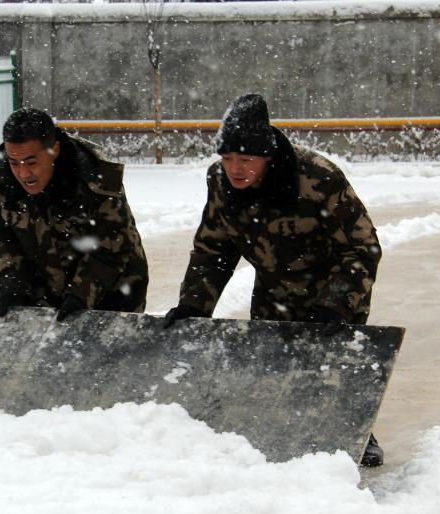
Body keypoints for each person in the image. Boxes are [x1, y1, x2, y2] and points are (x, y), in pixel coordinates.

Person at [163, 93, 385, 466]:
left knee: (331, 369)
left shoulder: (317, 177)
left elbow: (362, 248)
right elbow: (213, 247)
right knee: (275, 368)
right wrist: (193, 305)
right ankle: (282, 432)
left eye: (246, 159)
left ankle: (357, 435)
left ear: (266, 156)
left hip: (331, 285)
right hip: (273, 288)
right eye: (227, 157)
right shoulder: (220, 181)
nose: (235, 168)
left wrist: (336, 305)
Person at [0, 107, 148, 321]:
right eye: (14, 163)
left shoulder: (95, 179)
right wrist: (13, 289)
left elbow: (111, 249)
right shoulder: (0, 181)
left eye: (31, 162)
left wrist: (80, 296)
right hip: (46, 290)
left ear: (55, 150)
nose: (23, 173)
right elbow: (2, 239)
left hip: (114, 290)